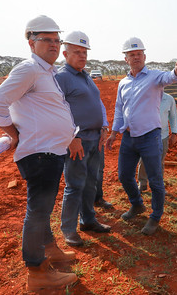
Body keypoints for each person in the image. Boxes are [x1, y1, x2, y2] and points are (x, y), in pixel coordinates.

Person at [0, 15, 78, 291]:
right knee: (38, 211)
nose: (53, 45)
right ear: (31, 43)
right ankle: (37, 273)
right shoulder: (28, 69)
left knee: (43, 209)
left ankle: (49, 249)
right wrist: (13, 133)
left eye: (56, 40)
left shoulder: (46, 72)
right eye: (46, 40)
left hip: (51, 152)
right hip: (40, 154)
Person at [106, 37, 177, 236]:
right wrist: (114, 133)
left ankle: (155, 216)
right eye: (131, 54)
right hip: (128, 137)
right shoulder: (123, 83)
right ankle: (137, 204)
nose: (136, 57)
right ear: (126, 59)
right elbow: (119, 108)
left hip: (150, 137)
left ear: (144, 56)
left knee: (155, 180)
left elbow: (172, 77)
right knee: (124, 175)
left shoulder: (154, 77)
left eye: (139, 54)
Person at [56, 31, 111, 247]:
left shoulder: (86, 76)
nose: (82, 56)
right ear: (65, 53)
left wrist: (104, 128)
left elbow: (97, 104)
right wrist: (71, 137)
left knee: (90, 184)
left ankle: (87, 220)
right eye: (77, 52)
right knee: (74, 186)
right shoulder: (62, 78)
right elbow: (57, 111)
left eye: (84, 52)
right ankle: (68, 229)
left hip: (95, 139)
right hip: (78, 142)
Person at [137, 92, 177, 191]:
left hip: (162, 135)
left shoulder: (169, 99)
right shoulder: (144, 97)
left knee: (160, 161)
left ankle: (157, 185)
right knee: (143, 160)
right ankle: (142, 183)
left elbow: (173, 116)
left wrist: (174, 133)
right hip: (146, 134)